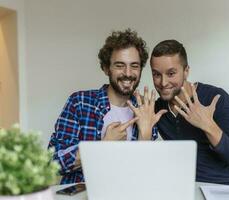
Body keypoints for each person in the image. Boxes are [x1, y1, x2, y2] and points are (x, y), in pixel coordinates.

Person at [48, 29, 166, 184]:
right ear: (106, 68)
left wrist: (144, 136)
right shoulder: (80, 102)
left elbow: (146, 174)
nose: (128, 73)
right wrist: (103, 147)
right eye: (119, 65)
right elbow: (52, 162)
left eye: (134, 66)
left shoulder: (145, 109)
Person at [150, 39, 229, 185]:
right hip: (187, 188)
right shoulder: (158, 109)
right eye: (156, 74)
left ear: (186, 71)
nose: (163, 83)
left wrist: (209, 126)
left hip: (228, 185)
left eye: (171, 73)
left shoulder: (215, 98)